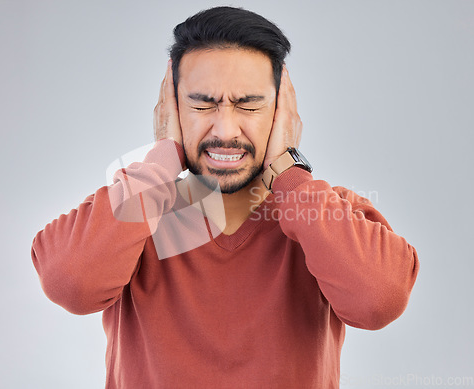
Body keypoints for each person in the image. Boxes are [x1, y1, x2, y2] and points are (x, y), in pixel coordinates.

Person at [31, 6, 419, 388]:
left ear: (283, 111)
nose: (226, 129)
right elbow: (70, 284)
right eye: (202, 104)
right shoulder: (136, 209)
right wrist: (161, 162)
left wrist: (291, 175)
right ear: (172, 108)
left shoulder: (326, 212)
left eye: (249, 104)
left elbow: (379, 302)